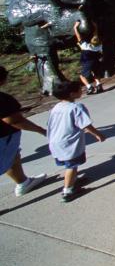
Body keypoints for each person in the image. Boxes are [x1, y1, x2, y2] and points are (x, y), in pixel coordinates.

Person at [46, 80, 105, 202]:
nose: (81, 90)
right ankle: (68, 191)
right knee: (71, 166)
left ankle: (73, 180)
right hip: (69, 143)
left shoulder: (56, 107)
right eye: (79, 89)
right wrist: (98, 134)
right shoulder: (76, 107)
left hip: (55, 141)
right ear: (72, 94)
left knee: (69, 164)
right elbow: (86, 125)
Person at [0, 66, 48, 196]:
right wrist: (41, 130)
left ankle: (23, 182)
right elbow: (14, 121)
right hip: (4, 137)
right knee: (10, 157)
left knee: (13, 156)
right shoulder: (3, 99)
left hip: (6, 139)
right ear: (3, 80)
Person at [73, 20, 103, 94]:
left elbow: (78, 37)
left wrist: (75, 28)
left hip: (87, 63)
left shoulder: (85, 46)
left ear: (91, 41)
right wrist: (95, 27)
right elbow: (96, 36)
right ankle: (99, 85)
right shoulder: (99, 46)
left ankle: (89, 87)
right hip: (96, 61)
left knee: (82, 76)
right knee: (95, 73)